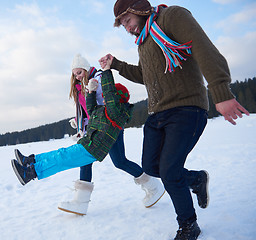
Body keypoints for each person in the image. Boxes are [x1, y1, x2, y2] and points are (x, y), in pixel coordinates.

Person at [99, 1, 250, 239]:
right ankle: (196, 179)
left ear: (138, 9)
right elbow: (145, 75)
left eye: (127, 21)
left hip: (186, 109)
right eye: (123, 25)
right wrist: (116, 64)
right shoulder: (145, 40)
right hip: (158, 113)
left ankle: (189, 224)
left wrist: (220, 91)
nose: (127, 28)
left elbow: (203, 48)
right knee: (151, 166)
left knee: (169, 170)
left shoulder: (171, 17)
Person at [11, 69, 163, 213]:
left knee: (62, 158)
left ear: (115, 99)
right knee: (64, 154)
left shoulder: (115, 111)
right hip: (89, 144)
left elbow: (109, 92)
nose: (103, 96)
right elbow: (91, 109)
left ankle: (32, 172)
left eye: (107, 96)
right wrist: (90, 92)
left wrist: (107, 70)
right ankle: (31, 161)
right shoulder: (104, 110)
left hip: (93, 148)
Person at [57, 53, 164, 216]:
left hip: (109, 125)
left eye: (79, 72)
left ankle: (154, 187)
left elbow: (108, 98)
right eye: (74, 74)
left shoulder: (98, 79)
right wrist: (79, 121)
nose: (77, 77)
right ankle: (153, 187)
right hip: (97, 127)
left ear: (86, 69)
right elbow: (89, 109)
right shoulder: (81, 87)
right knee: (115, 161)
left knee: (112, 160)